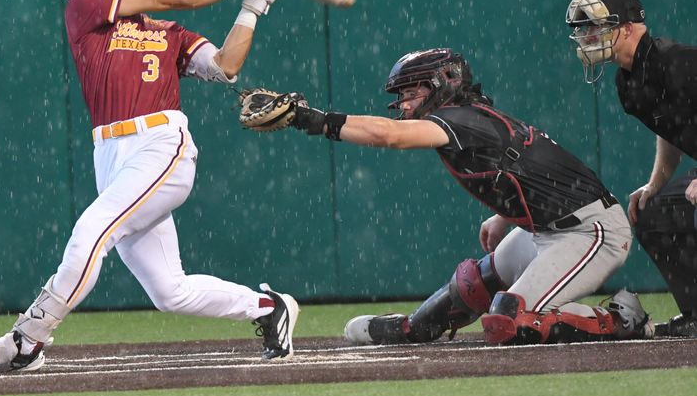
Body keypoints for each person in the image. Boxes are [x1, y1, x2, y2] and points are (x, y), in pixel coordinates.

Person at [0, 0, 299, 374]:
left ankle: (27, 340)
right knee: (169, 291)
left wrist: (255, 5)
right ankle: (268, 307)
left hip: (160, 144)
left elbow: (225, 66)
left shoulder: (171, 34)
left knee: (92, 232)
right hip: (112, 154)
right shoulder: (86, 5)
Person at [239, 48, 651, 346]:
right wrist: (505, 218)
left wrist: (310, 119)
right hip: (549, 228)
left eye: (411, 93)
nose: (403, 104)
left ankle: (620, 319)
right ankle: (415, 328)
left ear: (442, 85)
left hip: (590, 232)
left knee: (511, 321)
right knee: (476, 282)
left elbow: (389, 135)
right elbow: (538, 174)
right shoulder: (472, 118)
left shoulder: (463, 118)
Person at [565, 0, 697, 338]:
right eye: (585, 28)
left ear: (627, 28)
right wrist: (655, 184)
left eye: (596, 25)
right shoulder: (628, 84)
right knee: (653, 212)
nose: (588, 35)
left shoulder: (677, 62)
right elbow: (670, 129)